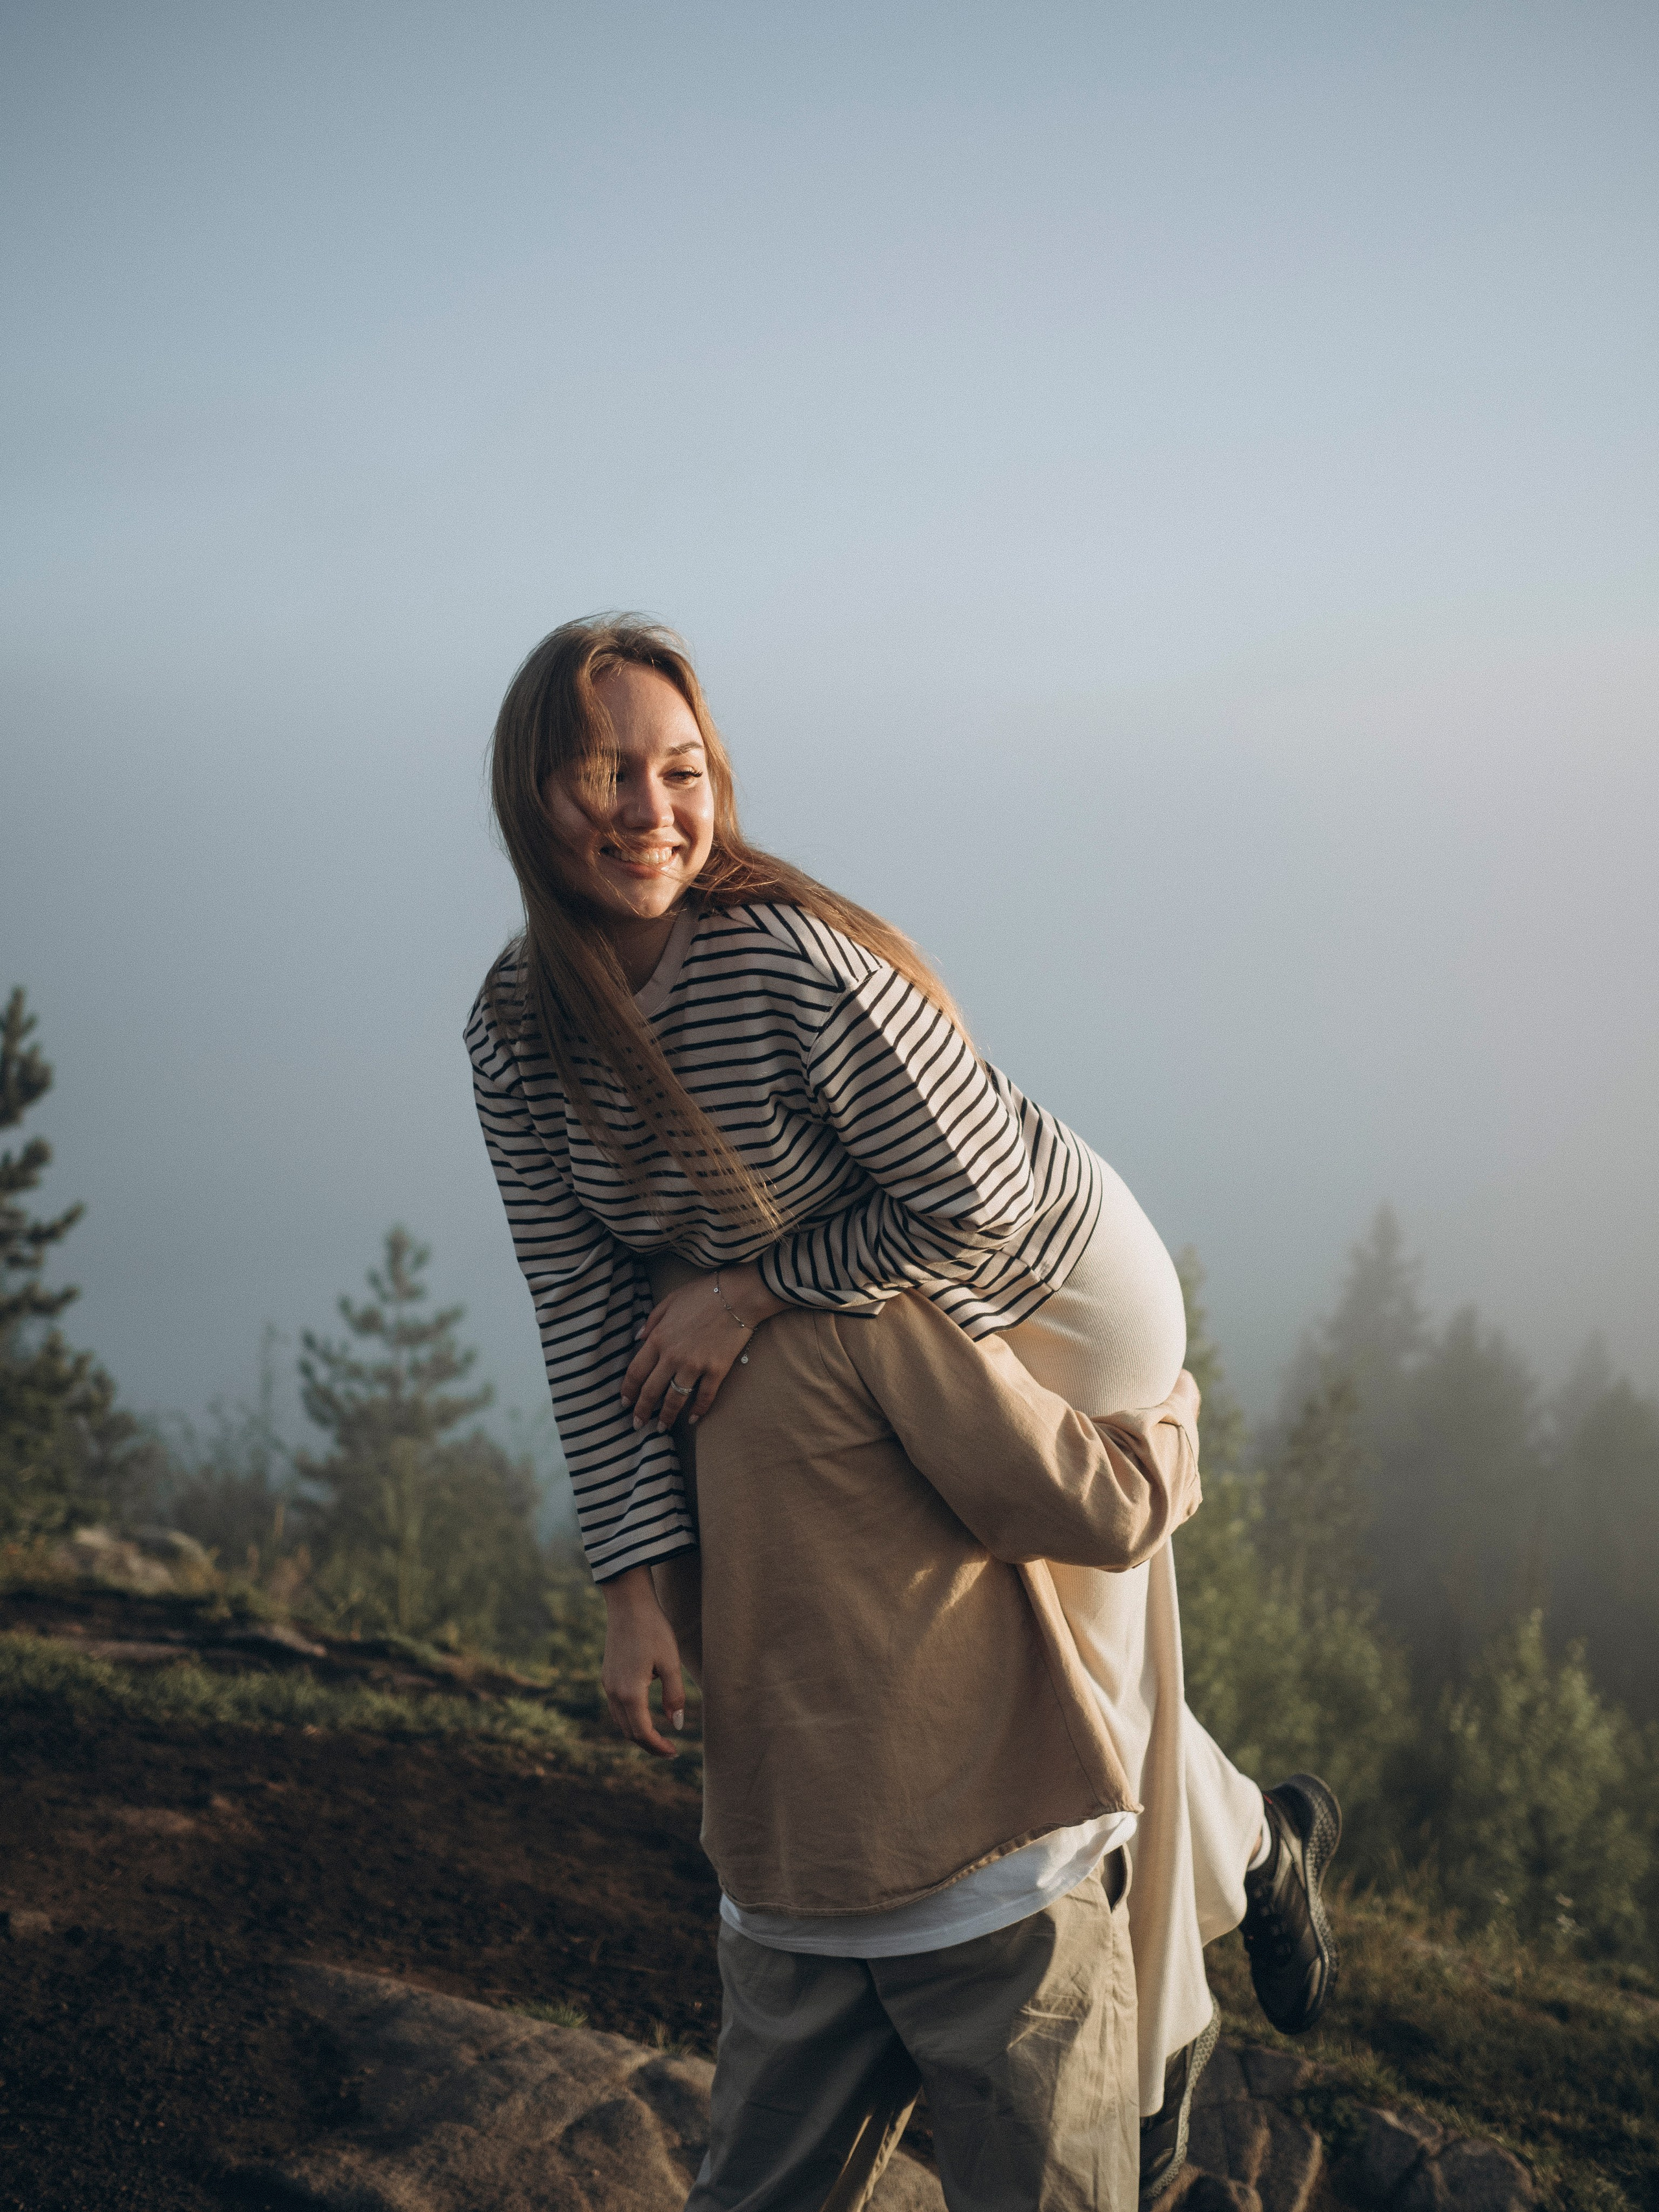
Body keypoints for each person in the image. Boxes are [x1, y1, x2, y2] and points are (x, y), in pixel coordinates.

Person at [465, 616, 1340, 2187]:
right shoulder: (512, 1031)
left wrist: (750, 1289)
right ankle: (1258, 1851)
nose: (652, 810)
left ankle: (1150, 2069)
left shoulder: (783, 966)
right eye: (607, 773)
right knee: (1058, 1694)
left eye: (682, 772)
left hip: (1047, 1285)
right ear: (532, 796)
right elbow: (584, 1313)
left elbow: (982, 1197)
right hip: (862, 1303)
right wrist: (633, 1589)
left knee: (1062, 1706)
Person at [647, 1253, 1204, 2207]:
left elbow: (691, 1603)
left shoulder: (662, 1332)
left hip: (787, 1868)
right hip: (993, 1876)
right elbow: (1107, 1508)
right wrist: (1177, 1411)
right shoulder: (875, 1316)